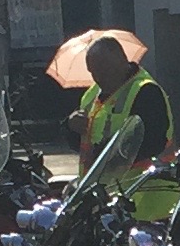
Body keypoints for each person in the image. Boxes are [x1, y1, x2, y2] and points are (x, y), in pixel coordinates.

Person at [74, 33, 173, 184]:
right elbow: (82, 143)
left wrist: (108, 152)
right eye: (93, 72)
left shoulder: (145, 91)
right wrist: (69, 126)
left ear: (122, 61)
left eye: (103, 70)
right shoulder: (91, 94)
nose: (98, 78)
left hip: (147, 192)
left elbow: (152, 142)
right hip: (106, 194)